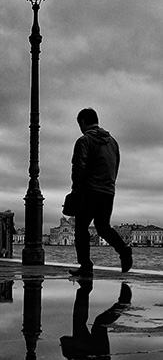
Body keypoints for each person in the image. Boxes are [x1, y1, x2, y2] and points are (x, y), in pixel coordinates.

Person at [68, 108, 132, 278]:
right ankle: (123, 250)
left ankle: (86, 266)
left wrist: (76, 190)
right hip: (108, 191)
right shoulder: (113, 142)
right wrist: (110, 185)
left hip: (89, 190)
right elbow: (116, 166)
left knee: (81, 228)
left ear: (82, 122)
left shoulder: (84, 141)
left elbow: (79, 167)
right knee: (103, 226)